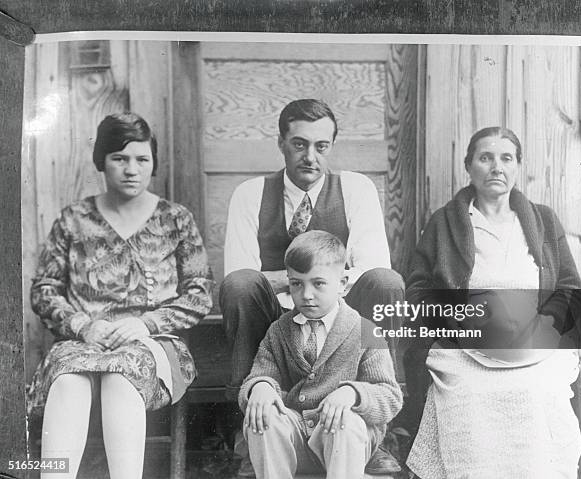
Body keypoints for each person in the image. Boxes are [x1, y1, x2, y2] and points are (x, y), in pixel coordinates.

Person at [221, 99, 404, 474]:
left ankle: (378, 432)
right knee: (240, 286)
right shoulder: (251, 193)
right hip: (275, 320)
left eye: (321, 146)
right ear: (281, 143)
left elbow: (372, 267)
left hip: (341, 318)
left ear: (331, 147)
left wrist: (315, 286)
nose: (310, 156)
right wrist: (315, 280)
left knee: (386, 283)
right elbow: (241, 273)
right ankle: (251, 422)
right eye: (299, 144)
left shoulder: (355, 188)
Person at [27, 113, 214, 479]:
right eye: (119, 158)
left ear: (153, 163)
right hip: (83, 340)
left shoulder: (175, 219)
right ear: (102, 161)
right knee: (67, 378)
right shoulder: (73, 219)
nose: (132, 169)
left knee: (120, 377)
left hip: (153, 342)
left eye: (142, 159)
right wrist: (83, 325)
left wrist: (145, 323)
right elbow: (44, 288)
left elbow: (199, 292)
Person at [404, 127, 581, 478]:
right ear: (469, 165)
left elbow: (569, 287)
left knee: (537, 392)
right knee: (468, 395)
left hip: (535, 347)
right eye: (486, 158)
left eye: (506, 158)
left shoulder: (542, 220)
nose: (496, 167)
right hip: (465, 347)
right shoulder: (445, 222)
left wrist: (546, 324)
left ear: (518, 166)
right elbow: (418, 289)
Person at [239, 230, 403, 479]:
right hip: (295, 439)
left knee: (345, 421)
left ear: (342, 284)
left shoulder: (366, 330)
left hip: (344, 443)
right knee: (264, 413)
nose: (306, 295)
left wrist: (353, 393)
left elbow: (390, 396)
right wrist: (260, 386)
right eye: (296, 283)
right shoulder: (279, 330)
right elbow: (261, 373)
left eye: (318, 283)